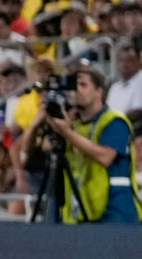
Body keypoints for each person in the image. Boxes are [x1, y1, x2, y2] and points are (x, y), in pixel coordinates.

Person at [18, 65, 140, 224]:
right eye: (73, 86)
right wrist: (36, 124)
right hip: (82, 211)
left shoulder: (114, 121)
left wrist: (67, 133)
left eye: (83, 85)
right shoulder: (73, 126)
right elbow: (28, 156)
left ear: (99, 91)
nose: (76, 90)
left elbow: (105, 157)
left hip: (115, 212)